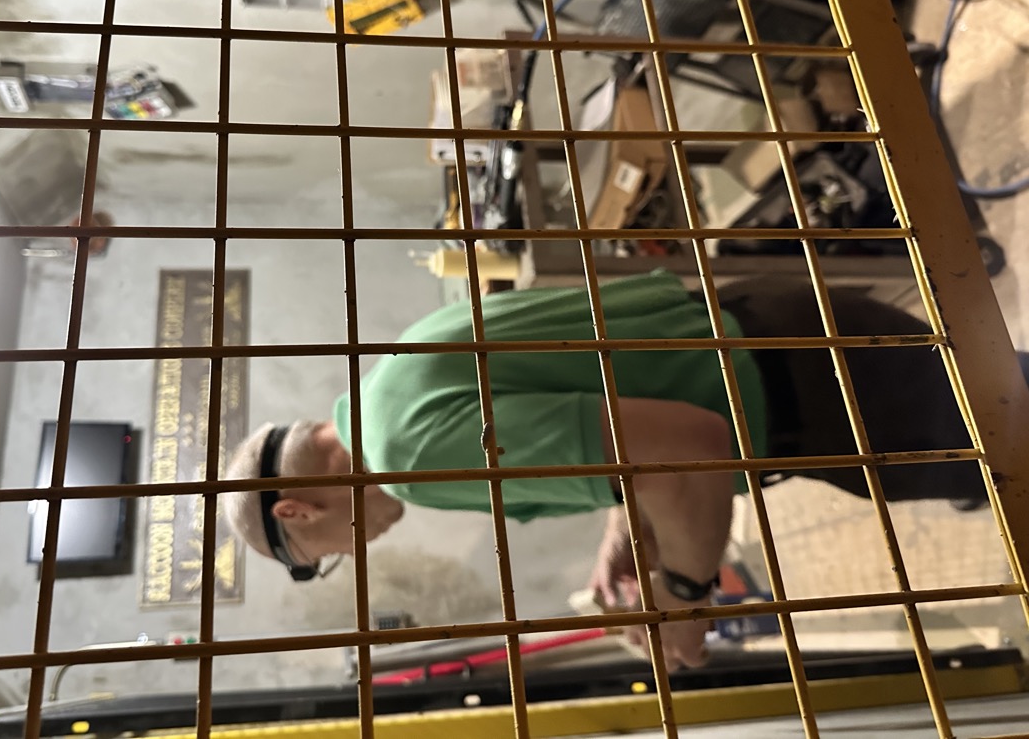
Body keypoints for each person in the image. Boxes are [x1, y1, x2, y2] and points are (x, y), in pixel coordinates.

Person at [223, 268, 1025, 669]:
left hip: (826, 396)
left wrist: (685, 597)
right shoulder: (393, 375)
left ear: (296, 512)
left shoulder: (408, 459)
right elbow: (620, 395)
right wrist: (624, 518)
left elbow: (688, 453)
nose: (348, 553)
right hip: (791, 332)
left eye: (322, 556)